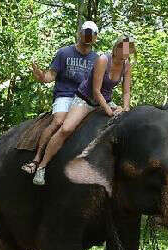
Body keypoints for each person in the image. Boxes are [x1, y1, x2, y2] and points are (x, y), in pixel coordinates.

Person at [32, 36, 135, 186]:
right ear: (116, 48)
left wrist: (125, 108)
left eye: (129, 49)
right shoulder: (103, 60)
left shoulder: (127, 66)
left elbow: (126, 92)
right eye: (123, 48)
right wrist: (109, 111)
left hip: (105, 100)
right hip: (86, 99)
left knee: (127, 123)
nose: (126, 52)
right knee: (66, 128)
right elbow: (96, 91)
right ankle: (42, 166)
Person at [21, 21, 100, 174]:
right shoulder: (64, 53)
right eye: (86, 32)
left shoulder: (97, 59)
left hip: (85, 99)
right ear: (80, 33)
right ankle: (36, 160)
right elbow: (51, 75)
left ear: (95, 38)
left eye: (92, 34)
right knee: (58, 122)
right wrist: (42, 77)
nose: (88, 36)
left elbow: (97, 85)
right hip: (65, 95)